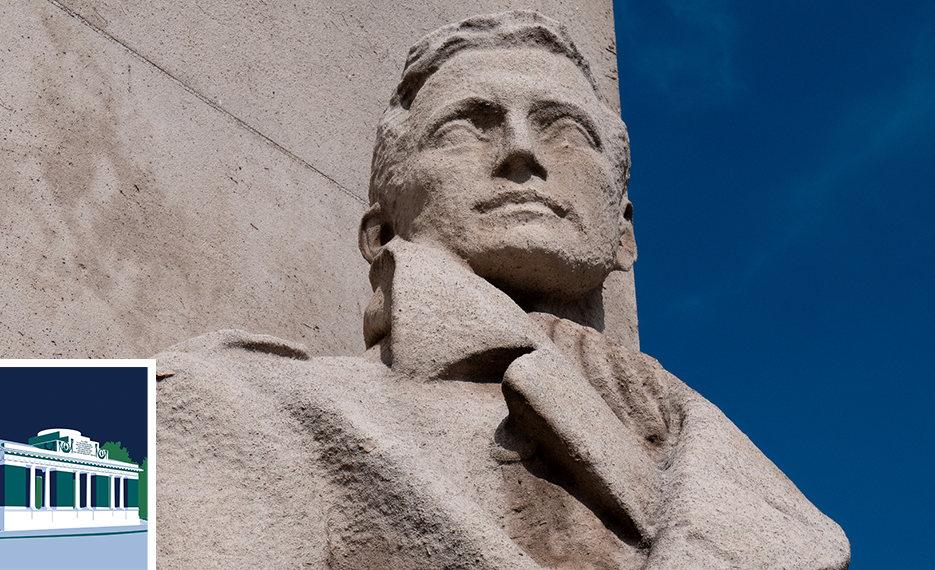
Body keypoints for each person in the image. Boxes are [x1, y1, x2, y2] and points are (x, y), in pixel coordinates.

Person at [156, 11, 849, 569]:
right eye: (464, 127)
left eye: (566, 130)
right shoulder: (181, 399)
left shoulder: (732, 468)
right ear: (380, 230)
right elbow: (83, 517)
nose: (522, 151)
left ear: (625, 235)